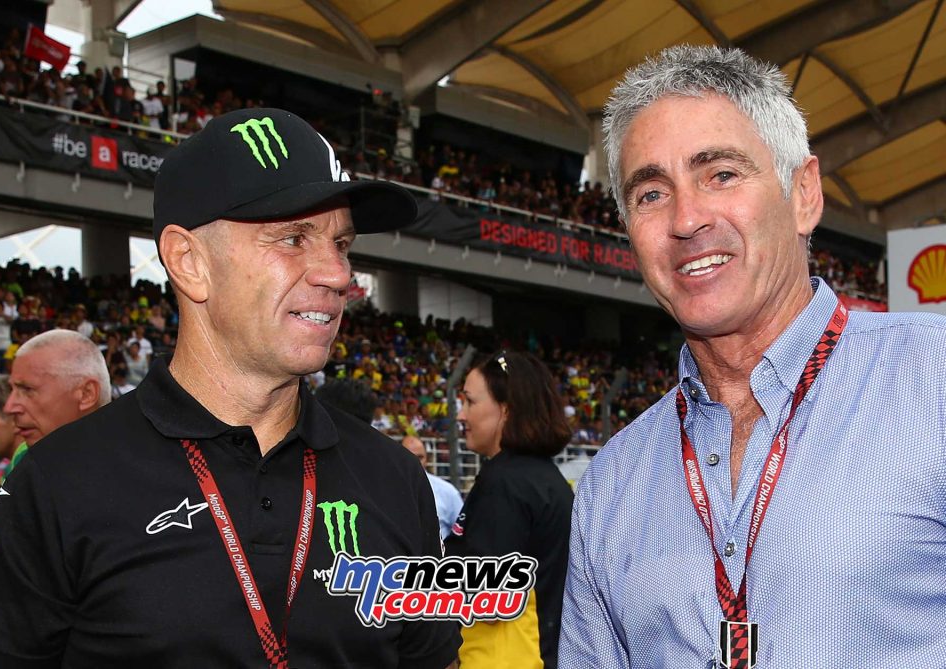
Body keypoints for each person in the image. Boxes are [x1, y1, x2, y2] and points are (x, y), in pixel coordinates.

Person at [0, 108, 460, 668]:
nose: (339, 275)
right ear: (189, 262)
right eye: (293, 238)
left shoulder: (394, 479)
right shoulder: (57, 482)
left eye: (341, 244)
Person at [559, 45, 946, 669]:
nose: (686, 219)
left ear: (804, 193)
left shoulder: (934, 381)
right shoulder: (611, 483)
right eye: (652, 193)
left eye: (721, 174)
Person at [445, 351, 574, 669]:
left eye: (470, 402)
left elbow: (484, 596)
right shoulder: (544, 478)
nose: (461, 416)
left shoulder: (504, 483)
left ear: (507, 408)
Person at [0, 328, 110, 475]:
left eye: (27, 389)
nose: (9, 407)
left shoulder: (140, 468)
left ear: (86, 394)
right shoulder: (23, 457)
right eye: (11, 390)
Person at [401, 435, 462, 540]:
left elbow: (462, 532)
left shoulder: (447, 491)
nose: (415, 462)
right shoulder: (385, 490)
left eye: (420, 457)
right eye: (409, 456)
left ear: (427, 459)